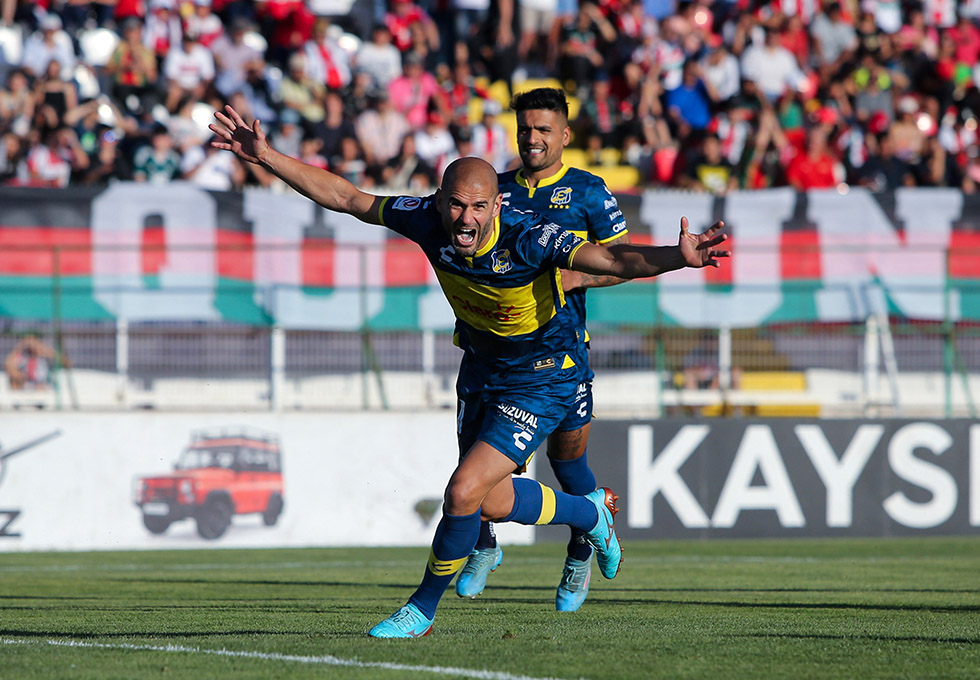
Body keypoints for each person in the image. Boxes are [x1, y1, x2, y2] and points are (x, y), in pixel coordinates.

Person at [209, 104, 728, 638]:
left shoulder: (532, 238)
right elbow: (347, 198)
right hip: (481, 369)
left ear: (497, 204)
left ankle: (421, 609)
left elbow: (614, 262)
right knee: (491, 502)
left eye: (479, 206)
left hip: (544, 374)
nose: (466, 219)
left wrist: (676, 256)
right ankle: (587, 515)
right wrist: (266, 157)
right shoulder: (426, 219)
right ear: (439, 203)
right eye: (456, 206)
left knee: (461, 491)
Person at [454, 86, 632, 613]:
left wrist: (575, 277)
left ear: (565, 136)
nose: (533, 138)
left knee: (567, 463)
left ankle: (581, 550)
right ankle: (483, 547)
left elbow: (619, 261)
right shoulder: (494, 191)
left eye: (544, 130)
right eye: (526, 128)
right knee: (473, 463)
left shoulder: (587, 191)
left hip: (560, 358)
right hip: (488, 354)